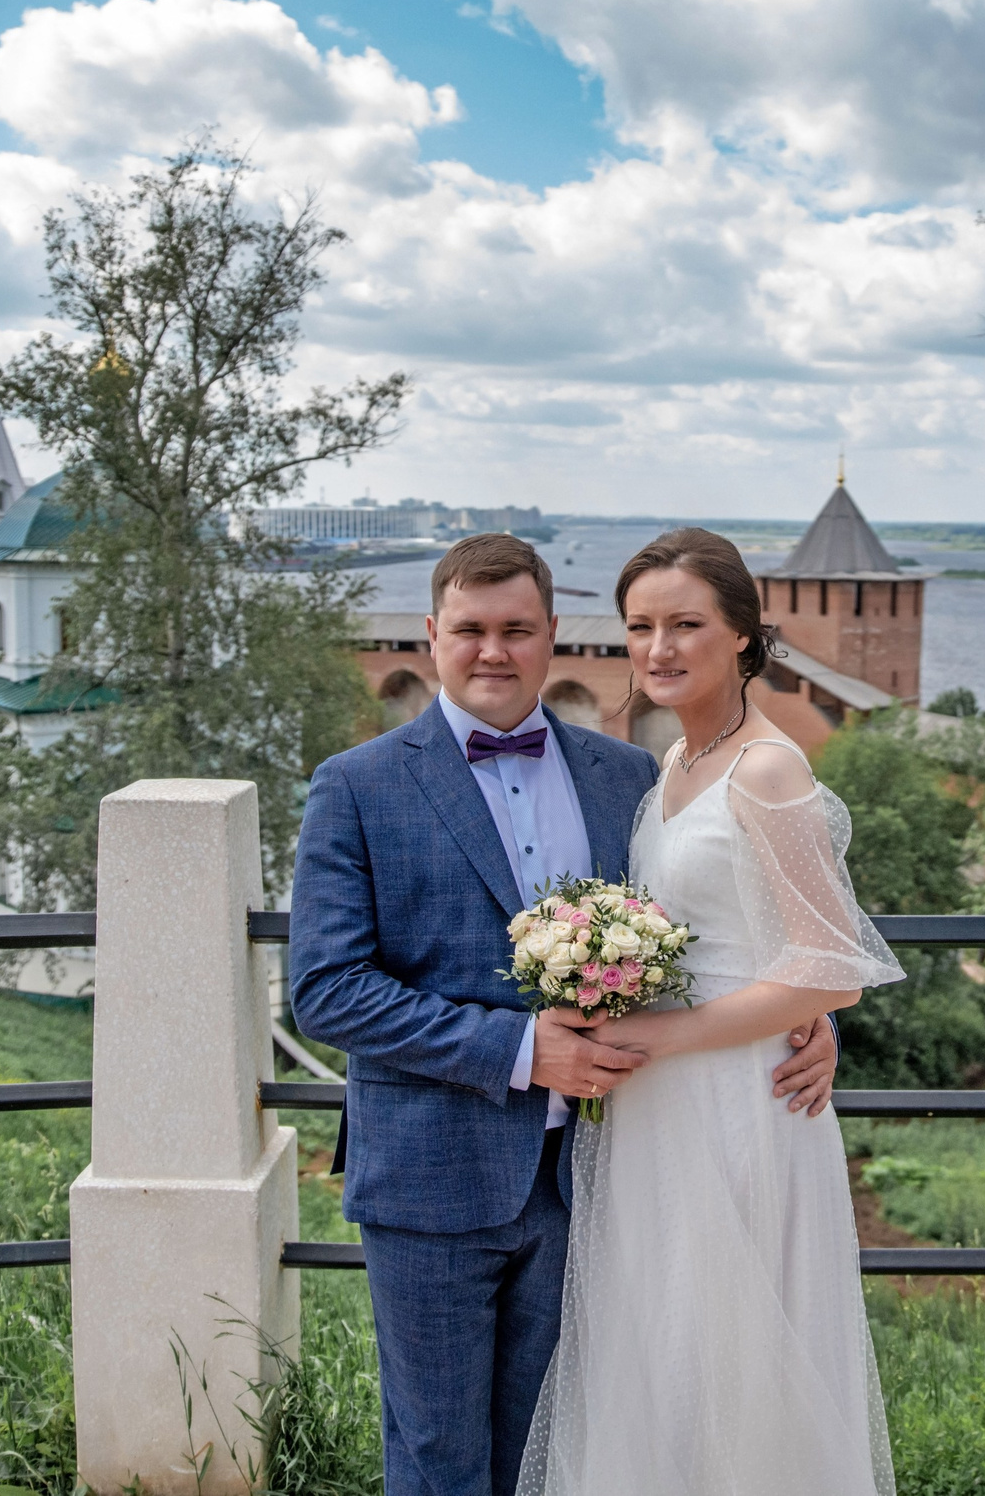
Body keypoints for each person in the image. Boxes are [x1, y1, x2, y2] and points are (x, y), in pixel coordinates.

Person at [288, 530, 841, 1496]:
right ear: (430, 635)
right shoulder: (357, 785)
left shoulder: (626, 776)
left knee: (569, 1452)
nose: (492, 652)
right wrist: (514, 1048)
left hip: (602, 1173)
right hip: (433, 1177)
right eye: (469, 630)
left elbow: (709, 935)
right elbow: (328, 989)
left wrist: (804, 1013)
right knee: (437, 1457)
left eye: (517, 630)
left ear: (553, 639)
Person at [519, 528, 905, 1496]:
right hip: (657, 1109)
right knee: (655, 1344)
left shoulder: (768, 770)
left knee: (728, 1348)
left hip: (736, 1102)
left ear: (741, 634)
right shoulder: (680, 762)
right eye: (641, 625)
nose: (658, 647)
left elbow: (832, 967)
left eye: (686, 623)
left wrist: (664, 1031)